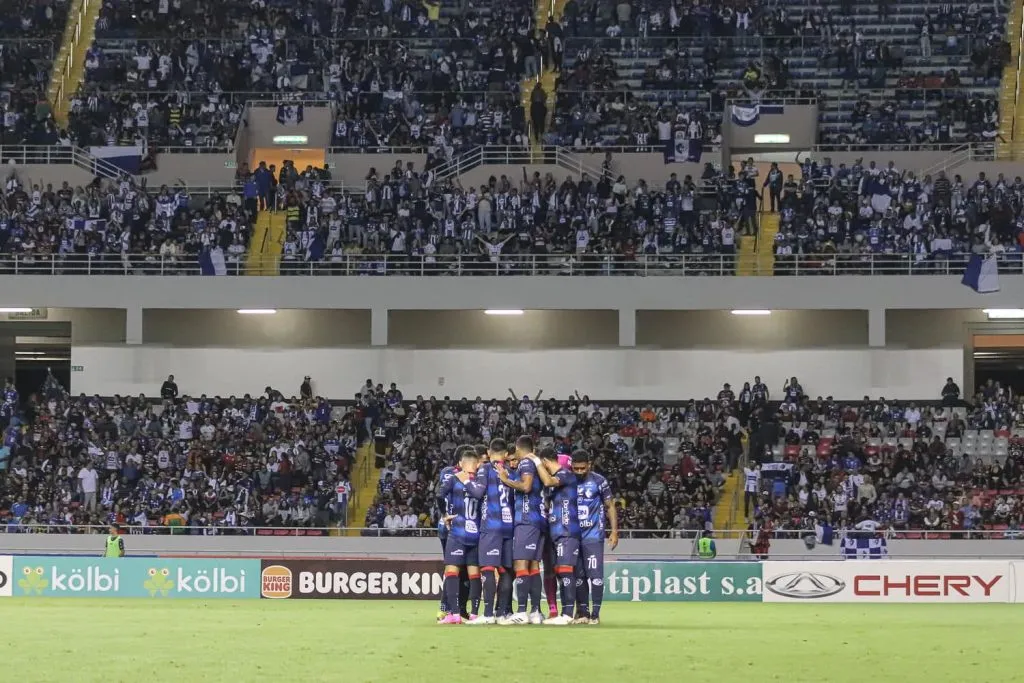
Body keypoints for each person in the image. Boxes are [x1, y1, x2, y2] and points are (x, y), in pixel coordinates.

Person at [496, 435, 546, 624]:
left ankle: (522, 611)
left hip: (526, 520)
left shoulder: (526, 462)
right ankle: (535, 612)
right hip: (537, 520)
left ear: (518, 447)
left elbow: (525, 487)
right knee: (533, 566)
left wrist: (504, 479)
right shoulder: (533, 464)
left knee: (520, 565)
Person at [437, 446, 485, 625]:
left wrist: (444, 515)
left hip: (457, 532)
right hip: (476, 533)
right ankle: (473, 614)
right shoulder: (481, 480)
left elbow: (439, 496)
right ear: (477, 464)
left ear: (461, 464)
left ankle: (455, 613)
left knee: (452, 572)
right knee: (474, 574)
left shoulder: (454, 478)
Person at [469, 438, 515, 625]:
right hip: (509, 526)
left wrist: (466, 481)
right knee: (505, 571)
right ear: (505, 454)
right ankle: (502, 613)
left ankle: (488, 614)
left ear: (488, 453)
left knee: (488, 569)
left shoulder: (485, 469)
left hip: (491, 525)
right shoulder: (511, 472)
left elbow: (478, 493)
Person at [533, 447, 580, 625]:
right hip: (557, 532)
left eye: (542, 463)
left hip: (567, 530)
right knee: (560, 571)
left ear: (545, 462)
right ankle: (565, 612)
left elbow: (547, 481)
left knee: (565, 570)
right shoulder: (556, 485)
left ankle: (567, 614)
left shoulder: (565, 475)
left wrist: (536, 462)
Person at [572, 449, 617, 625]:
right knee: (579, 576)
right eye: (576, 469)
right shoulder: (567, 481)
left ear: (589, 465)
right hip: (574, 536)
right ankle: (583, 612)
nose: (580, 472)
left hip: (593, 534)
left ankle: (595, 614)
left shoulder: (599, 481)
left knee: (595, 575)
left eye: (583, 468)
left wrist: (614, 531)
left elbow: (610, 506)